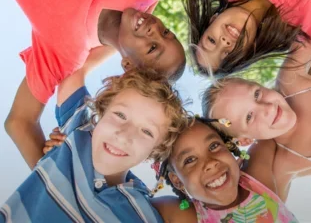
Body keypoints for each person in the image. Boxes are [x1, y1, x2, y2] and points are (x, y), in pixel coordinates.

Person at [4, 0, 186, 169]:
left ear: (129, 66)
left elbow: (19, 122)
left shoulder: (64, 53)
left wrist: (57, 179)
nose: (154, 29)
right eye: (166, 33)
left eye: (152, 47)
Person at [1, 60, 188, 222]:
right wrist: (124, 41)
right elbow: (72, 60)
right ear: (102, 111)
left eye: (147, 132)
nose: (123, 135)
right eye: (120, 115)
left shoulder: (147, 213)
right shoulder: (77, 132)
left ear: (156, 150)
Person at [201, 42, 311, 201]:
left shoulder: (290, 83)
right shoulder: (286, 162)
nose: (268, 108)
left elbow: (310, 32)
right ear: (244, 140)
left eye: (257, 94)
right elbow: (273, 208)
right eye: (249, 117)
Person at [150, 117, 298, 222]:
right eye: (190, 160)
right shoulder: (186, 215)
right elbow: (130, 203)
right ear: (177, 181)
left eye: (214, 146)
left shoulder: (257, 179)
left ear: (228, 146)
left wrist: (240, 132)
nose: (210, 163)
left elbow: (275, 126)